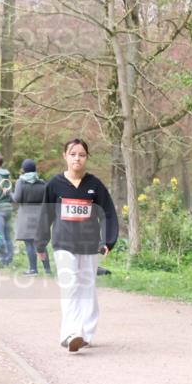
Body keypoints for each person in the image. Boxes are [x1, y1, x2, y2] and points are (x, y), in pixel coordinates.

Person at [36, 138, 118, 352]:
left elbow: (108, 213)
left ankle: (86, 334)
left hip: (90, 245)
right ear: (65, 156)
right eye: (73, 154)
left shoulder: (95, 185)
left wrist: (108, 240)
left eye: (81, 155)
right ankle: (70, 334)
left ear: (86, 158)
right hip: (63, 244)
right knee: (70, 286)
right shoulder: (54, 185)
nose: (77, 158)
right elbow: (45, 215)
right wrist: (40, 243)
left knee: (86, 288)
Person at [12, 159, 52, 275]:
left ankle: (33, 269)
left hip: (26, 216)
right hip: (40, 216)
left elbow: (17, 199)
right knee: (41, 243)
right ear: (35, 169)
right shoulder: (42, 183)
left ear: (24, 170)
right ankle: (48, 270)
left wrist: (8, 193)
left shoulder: (20, 182)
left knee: (29, 243)